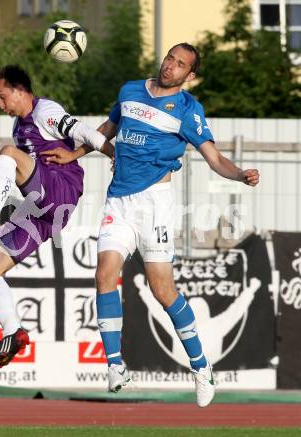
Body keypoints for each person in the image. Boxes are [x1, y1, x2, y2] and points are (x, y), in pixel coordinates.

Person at [41, 43, 260, 407]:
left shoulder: (189, 111)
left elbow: (214, 157)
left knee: (162, 291)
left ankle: (201, 366)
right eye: (169, 58)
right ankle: (115, 365)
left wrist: (239, 175)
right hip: (118, 200)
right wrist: (74, 152)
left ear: (190, 76)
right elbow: (107, 129)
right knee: (104, 274)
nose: (171, 66)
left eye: (180, 65)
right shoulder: (129, 91)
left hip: (155, 205)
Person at [0, 65, 114, 370]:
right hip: (42, 211)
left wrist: (114, 154)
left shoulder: (46, 112)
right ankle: (13, 332)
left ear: (19, 90)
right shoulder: (19, 126)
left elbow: (82, 131)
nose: (0, 104)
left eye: (3, 97)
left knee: (9, 153)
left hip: (61, 190)